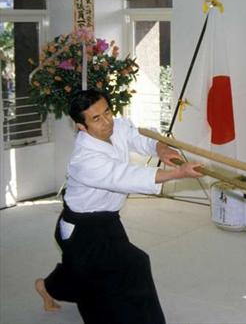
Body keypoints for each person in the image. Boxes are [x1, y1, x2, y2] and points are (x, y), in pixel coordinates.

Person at [35, 89, 203, 324]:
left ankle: (47, 286)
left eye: (107, 112)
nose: (106, 122)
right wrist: (177, 173)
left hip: (107, 220)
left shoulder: (117, 126)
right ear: (81, 126)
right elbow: (125, 176)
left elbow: (138, 138)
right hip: (82, 229)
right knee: (129, 267)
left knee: (87, 272)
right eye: (96, 119)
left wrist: (160, 149)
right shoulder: (85, 160)